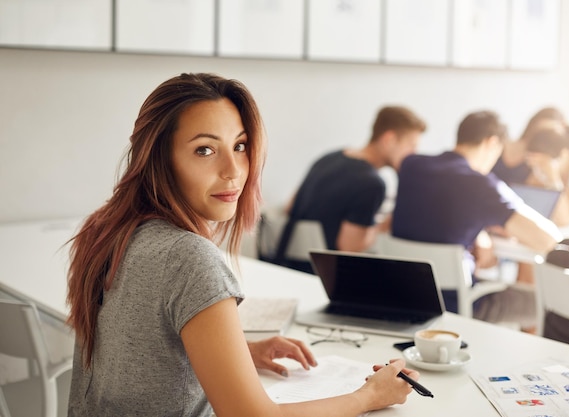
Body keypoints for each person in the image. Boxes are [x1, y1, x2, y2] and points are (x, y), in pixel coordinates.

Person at [65, 73, 419, 416]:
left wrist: (239, 352)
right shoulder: (189, 258)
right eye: (204, 150)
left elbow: (138, 352)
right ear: (159, 158)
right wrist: (370, 395)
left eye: (240, 146)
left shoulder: (107, 229)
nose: (233, 169)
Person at [392, 110, 562, 330]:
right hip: (457, 303)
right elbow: (548, 239)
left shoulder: (412, 165)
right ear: (492, 142)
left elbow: (437, 209)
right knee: (544, 304)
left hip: (404, 294)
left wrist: (479, 228)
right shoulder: (481, 184)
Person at [274, 105, 427, 273]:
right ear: (389, 139)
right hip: (323, 276)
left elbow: (290, 206)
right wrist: (384, 225)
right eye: (411, 146)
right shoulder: (373, 184)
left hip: (287, 267)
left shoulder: (328, 158)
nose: (414, 154)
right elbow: (349, 248)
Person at [491, 106, 566, 185]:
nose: (541, 137)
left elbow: (548, 194)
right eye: (541, 130)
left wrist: (553, 176)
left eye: (549, 134)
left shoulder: (540, 165)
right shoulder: (500, 145)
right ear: (532, 124)